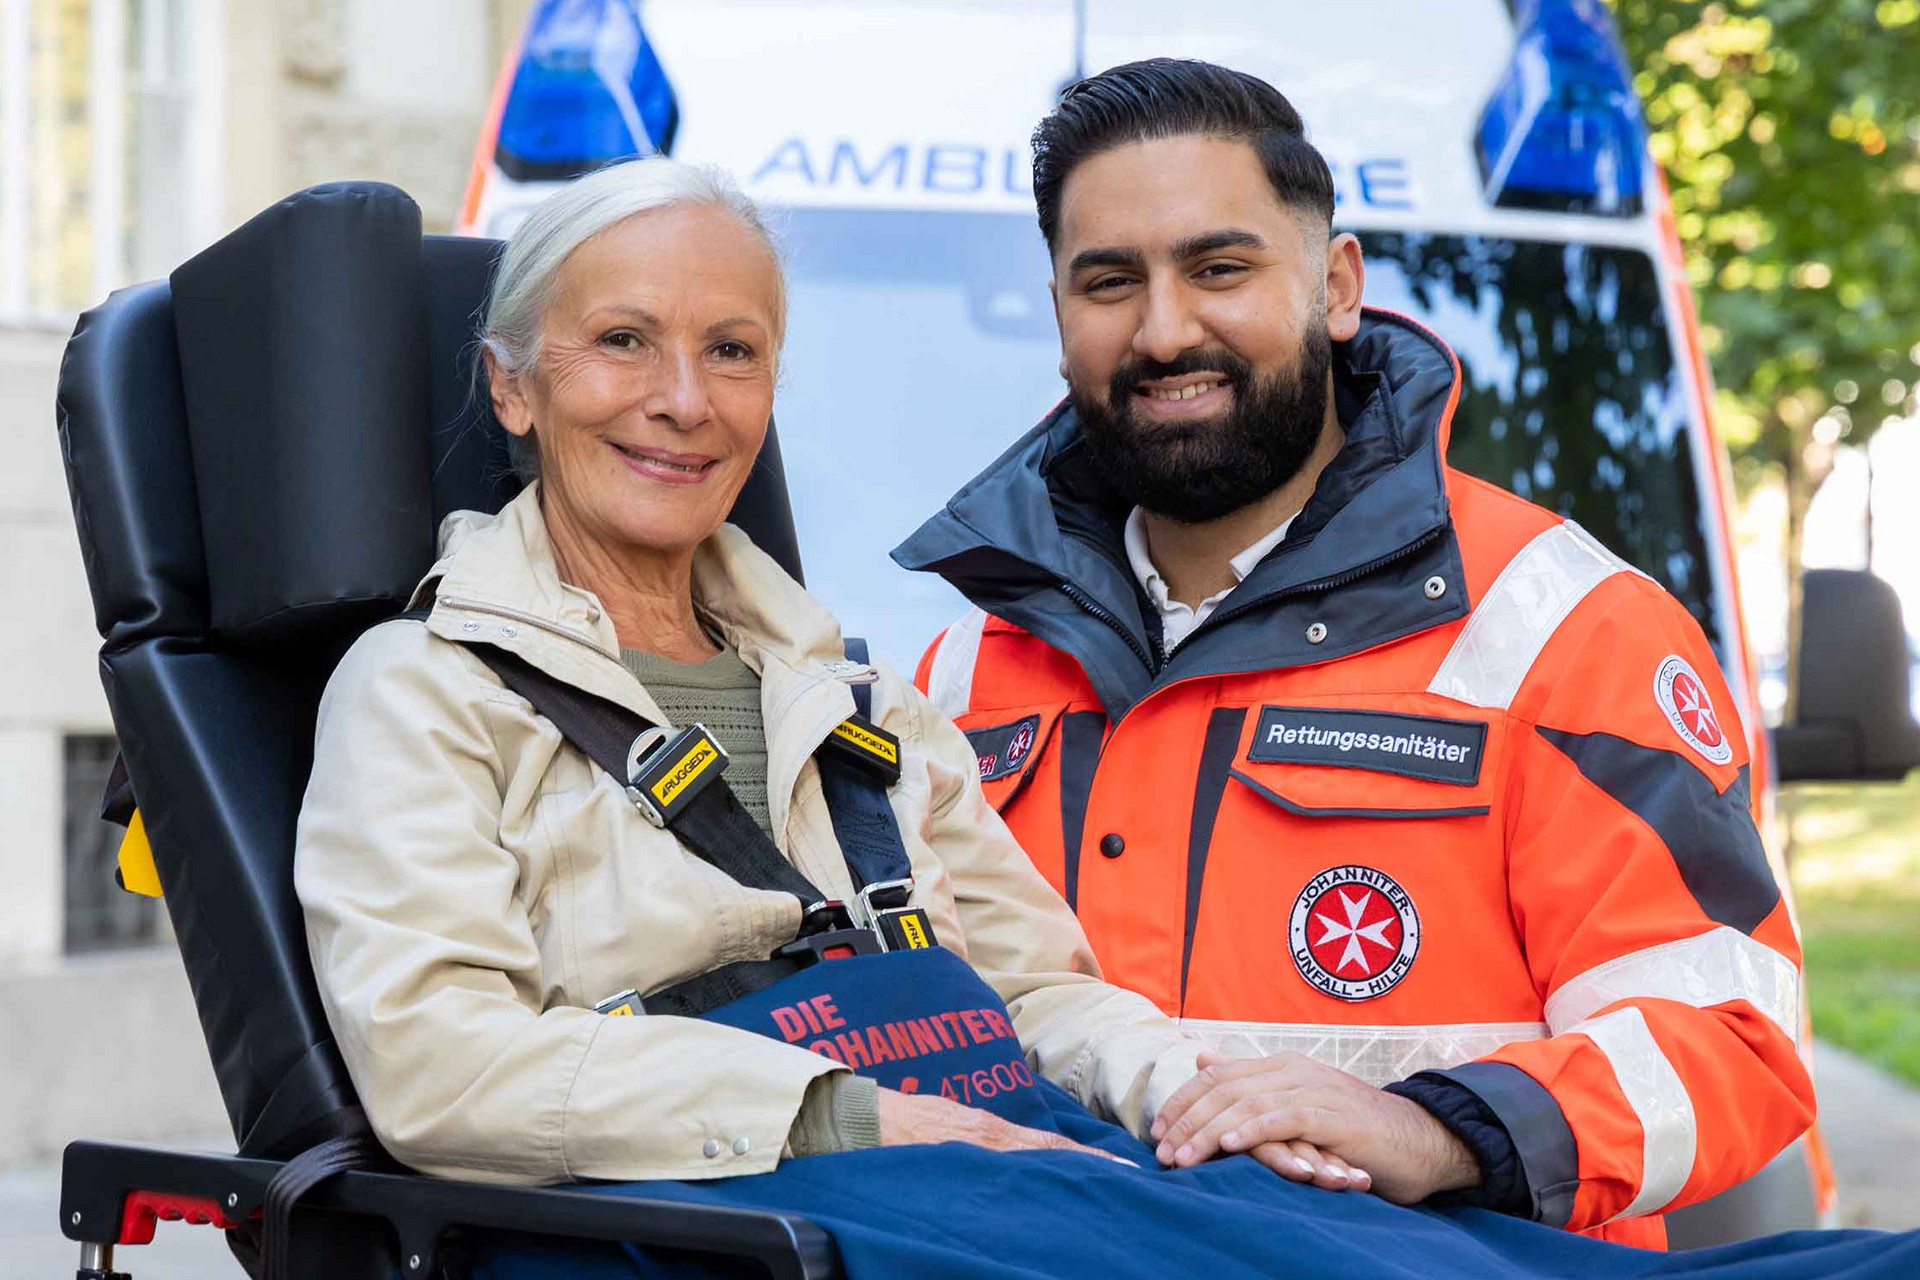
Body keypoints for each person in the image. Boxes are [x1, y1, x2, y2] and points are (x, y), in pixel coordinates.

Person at [292, 151, 1920, 1280]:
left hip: (976, 1160)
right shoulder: (426, 695)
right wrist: (849, 1111)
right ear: (514, 386)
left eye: (733, 349)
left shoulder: (862, 697)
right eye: (620, 343)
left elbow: (1046, 989)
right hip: (732, 1205)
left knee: (1373, 1232)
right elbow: (441, 1069)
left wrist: (1196, 1098)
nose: (681, 397)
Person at [897, 58, 1809, 1249]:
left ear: (1335, 285)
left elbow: (1733, 1038)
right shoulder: (953, 681)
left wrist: (1438, 1131)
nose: (1166, 329)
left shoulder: (1564, 629)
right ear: (1061, 310)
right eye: (1110, 280)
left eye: (1219, 267)